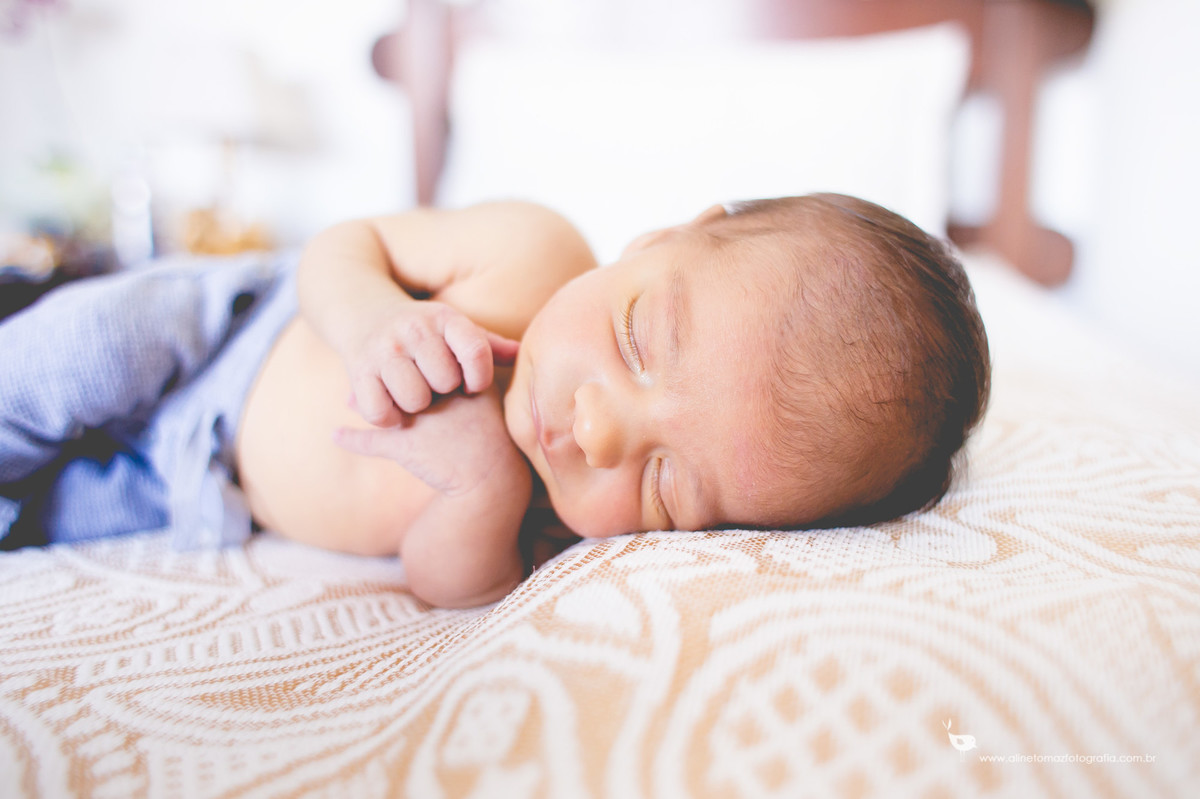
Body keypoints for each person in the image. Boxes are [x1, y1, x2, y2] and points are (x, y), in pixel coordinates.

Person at [0, 194, 990, 607]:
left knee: (44, 516)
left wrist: (479, 491)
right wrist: (375, 323)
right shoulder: (531, 250)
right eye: (641, 339)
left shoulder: (554, 527)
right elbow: (346, 245)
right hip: (220, 345)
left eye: (667, 485)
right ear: (660, 238)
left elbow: (444, 589)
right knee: (77, 353)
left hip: (196, 492)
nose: (601, 430)